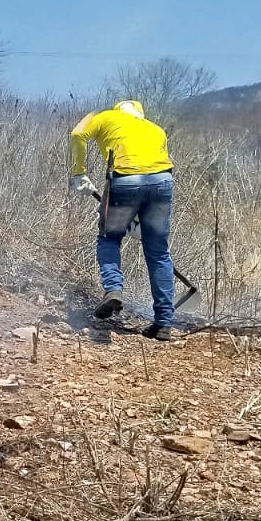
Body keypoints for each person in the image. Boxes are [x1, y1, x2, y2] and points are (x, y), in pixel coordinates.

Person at [69, 98, 178, 340]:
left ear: (118, 110)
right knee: (159, 252)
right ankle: (163, 323)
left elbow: (77, 134)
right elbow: (148, 173)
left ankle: (113, 290)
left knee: (109, 238)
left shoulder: (105, 116)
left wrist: (79, 173)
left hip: (126, 181)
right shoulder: (156, 129)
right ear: (140, 114)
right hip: (162, 182)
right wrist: (140, 222)